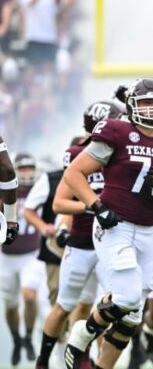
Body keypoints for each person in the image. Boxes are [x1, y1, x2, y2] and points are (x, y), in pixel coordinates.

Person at [63, 77, 153, 369]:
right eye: (146, 102)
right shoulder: (117, 132)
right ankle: (84, 332)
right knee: (127, 296)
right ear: (132, 106)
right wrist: (96, 205)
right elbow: (74, 175)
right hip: (115, 226)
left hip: (150, 231)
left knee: (132, 316)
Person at [37, 102, 122, 369]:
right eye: (115, 121)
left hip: (110, 242)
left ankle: (95, 359)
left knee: (114, 304)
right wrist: (94, 205)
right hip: (83, 241)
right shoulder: (76, 155)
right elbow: (60, 204)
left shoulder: (122, 155)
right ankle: (43, 360)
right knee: (66, 305)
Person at [1, 152, 42, 366]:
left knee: (29, 296)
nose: (26, 172)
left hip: (31, 255)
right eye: (22, 168)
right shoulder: (5, 192)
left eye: (29, 168)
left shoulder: (39, 188)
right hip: (7, 256)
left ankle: (28, 336)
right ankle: (17, 339)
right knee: (10, 305)